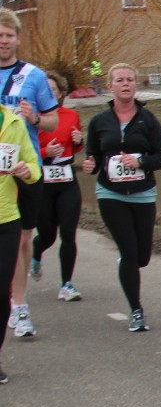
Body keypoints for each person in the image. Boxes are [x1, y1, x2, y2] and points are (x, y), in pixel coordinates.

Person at [82, 64, 161, 332]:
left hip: (143, 194)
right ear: (110, 86)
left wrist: (140, 161)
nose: (125, 84)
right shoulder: (99, 121)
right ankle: (136, 311)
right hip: (111, 194)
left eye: (130, 80)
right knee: (129, 253)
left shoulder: (148, 119)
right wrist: (90, 165)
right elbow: (93, 156)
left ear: (135, 85)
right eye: (119, 80)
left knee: (142, 257)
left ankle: (128, 262)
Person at [0, 8, 59, 340]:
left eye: (8, 35)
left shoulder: (33, 76)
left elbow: (53, 121)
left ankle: (18, 304)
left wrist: (34, 118)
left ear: (18, 39)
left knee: (23, 238)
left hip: (25, 168)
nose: (3, 41)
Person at [31, 72, 85, 302]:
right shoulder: (34, 118)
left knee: (68, 233)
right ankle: (36, 254)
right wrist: (45, 152)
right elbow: (26, 149)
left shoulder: (71, 115)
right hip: (42, 181)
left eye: (54, 89)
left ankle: (67, 284)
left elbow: (76, 147)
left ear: (61, 93)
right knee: (47, 236)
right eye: (46, 89)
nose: (50, 93)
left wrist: (79, 141)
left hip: (66, 180)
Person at [0, 103, 39, 383]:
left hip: (6, 219)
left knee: (2, 292)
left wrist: (27, 171)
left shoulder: (13, 122)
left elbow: (34, 164)